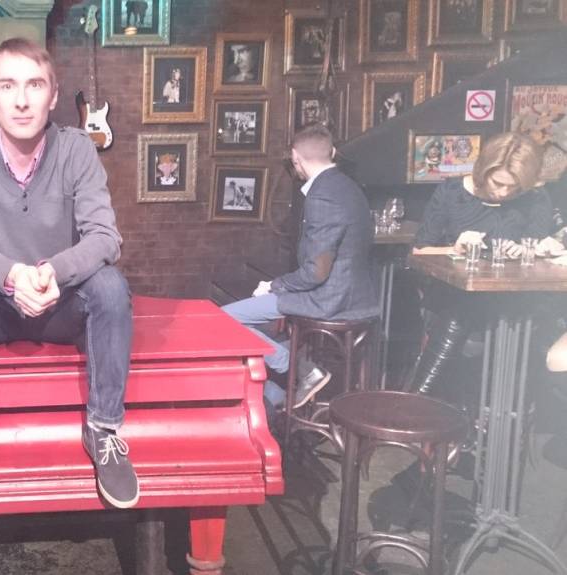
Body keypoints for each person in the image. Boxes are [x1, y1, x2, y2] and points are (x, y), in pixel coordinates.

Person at [0, 38, 136, 512]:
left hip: (59, 305)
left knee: (110, 286)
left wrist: (53, 272)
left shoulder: (77, 150)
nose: (21, 100)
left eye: (34, 85)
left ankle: (103, 428)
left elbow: (105, 237)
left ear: (53, 96)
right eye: (8, 86)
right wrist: (10, 275)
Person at [220, 124, 378, 412]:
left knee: (225, 320)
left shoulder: (323, 196)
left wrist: (275, 285)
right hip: (355, 295)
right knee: (266, 328)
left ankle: (301, 369)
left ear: (295, 157)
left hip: (331, 300)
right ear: (332, 152)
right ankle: (277, 394)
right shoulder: (348, 186)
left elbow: (316, 272)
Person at [409, 132, 563, 395]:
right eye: (498, 183)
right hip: (453, 294)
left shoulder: (535, 197)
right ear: (484, 170)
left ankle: (427, 399)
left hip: (515, 298)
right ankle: (420, 399)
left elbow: (538, 245)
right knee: (461, 310)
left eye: (514, 188)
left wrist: (534, 249)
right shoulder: (452, 192)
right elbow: (419, 251)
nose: (504, 192)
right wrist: (454, 249)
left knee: (529, 316)